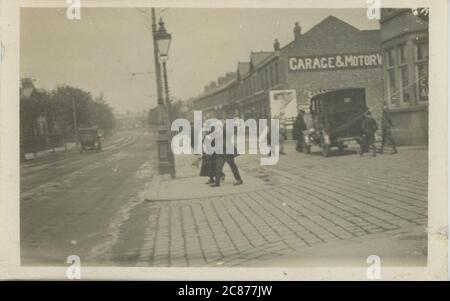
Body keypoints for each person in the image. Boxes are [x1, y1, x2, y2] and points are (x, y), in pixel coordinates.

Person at [211, 120, 243, 187]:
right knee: (219, 167)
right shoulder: (216, 132)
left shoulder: (225, 131)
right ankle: (217, 182)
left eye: (217, 126)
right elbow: (213, 142)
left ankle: (239, 180)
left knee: (232, 166)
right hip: (221, 152)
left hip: (227, 152)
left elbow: (230, 133)